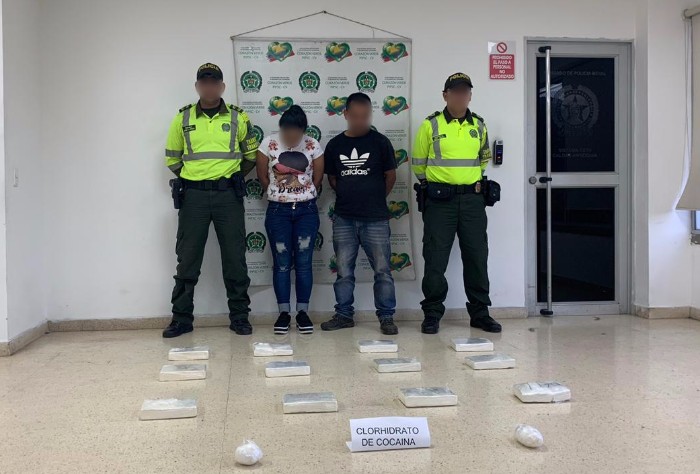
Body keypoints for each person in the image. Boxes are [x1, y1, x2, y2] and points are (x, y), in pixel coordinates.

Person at [162, 63, 259, 338]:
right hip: (193, 197)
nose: (209, 87)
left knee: (235, 258)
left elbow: (251, 156)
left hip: (228, 196)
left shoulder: (239, 118)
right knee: (187, 258)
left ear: (222, 86)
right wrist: (197, 180)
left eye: (214, 82)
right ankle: (181, 319)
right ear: (197, 87)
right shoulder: (182, 118)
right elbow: (172, 159)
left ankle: (240, 317)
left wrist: (229, 179)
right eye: (204, 82)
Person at [411, 72, 501, 334]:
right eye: (456, 92)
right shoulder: (431, 125)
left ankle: (480, 313)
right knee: (435, 257)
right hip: (440, 202)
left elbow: (483, 160)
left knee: (477, 256)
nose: (461, 96)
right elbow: (418, 163)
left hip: (473, 201)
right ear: (445, 95)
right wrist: (438, 185)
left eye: (465, 92)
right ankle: (432, 313)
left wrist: (467, 183)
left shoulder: (479, 125)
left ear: (470, 96)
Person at [321, 92, 399, 335]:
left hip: (375, 218)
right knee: (344, 272)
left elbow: (390, 176)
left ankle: (386, 317)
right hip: (344, 217)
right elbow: (333, 179)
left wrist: (374, 198)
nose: (360, 121)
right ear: (345, 114)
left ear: (370, 115)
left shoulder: (381, 142)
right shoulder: (335, 145)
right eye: (355, 116)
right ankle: (344, 315)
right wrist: (350, 195)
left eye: (365, 116)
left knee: (383, 271)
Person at [256, 105, 324, 334]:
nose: (291, 137)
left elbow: (318, 178)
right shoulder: (268, 144)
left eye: (296, 133)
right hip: (278, 212)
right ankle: (283, 313)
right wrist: (280, 194)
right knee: (282, 263)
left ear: (303, 131)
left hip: (306, 211)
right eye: (286, 132)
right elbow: (262, 176)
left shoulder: (313, 145)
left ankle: (303, 313)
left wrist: (301, 193)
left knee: (304, 263)